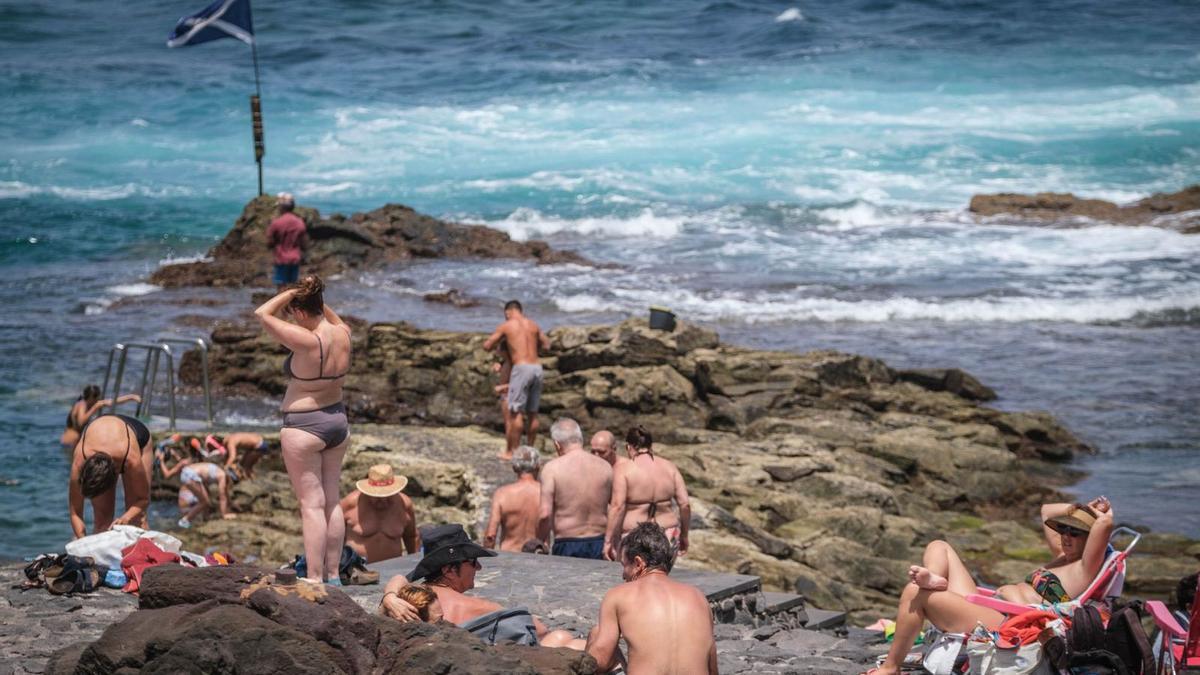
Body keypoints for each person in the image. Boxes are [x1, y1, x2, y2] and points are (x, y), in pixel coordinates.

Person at [872, 497, 1115, 675]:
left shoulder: (1084, 569)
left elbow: (1104, 526)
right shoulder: (1063, 556)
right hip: (994, 608)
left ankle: (890, 668)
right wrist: (1081, 508)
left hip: (1007, 624)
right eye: (1064, 529)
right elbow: (1046, 510)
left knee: (915, 592)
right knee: (939, 545)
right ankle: (935, 578)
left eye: (1076, 532)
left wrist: (1099, 513)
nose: (1066, 536)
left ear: (1091, 538)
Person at [255, 274, 352, 583]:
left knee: (311, 504)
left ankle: (314, 577)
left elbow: (262, 314)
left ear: (297, 311)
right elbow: (329, 316)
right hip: (337, 420)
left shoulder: (307, 341)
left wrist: (293, 292)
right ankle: (334, 573)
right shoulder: (344, 333)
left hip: (305, 426)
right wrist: (313, 295)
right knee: (331, 500)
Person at [379, 524, 580, 648]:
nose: (479, 567)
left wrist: (389, 596)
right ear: (449, 570)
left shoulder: (409, 600)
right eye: (473, 561)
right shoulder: (475, 607)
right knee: (560, 638)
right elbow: (537, 628)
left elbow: (399, 578)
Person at [586, 522, 718, 674]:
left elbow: (599, 661)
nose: (623, 575)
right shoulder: (699, 597)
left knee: (596, 634)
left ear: (638, 563)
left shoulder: (618, 596)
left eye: (624, 565)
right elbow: (712, 668)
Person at [603, 426, 690, 563]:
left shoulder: (623, 470)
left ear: (628, 447)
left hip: (634, 536)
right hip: (667, 533)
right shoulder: (669, 467)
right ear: (651, 446)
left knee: (634, 581)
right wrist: (684, 535)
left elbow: (617, 506)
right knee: (661, 578)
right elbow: (685, 504)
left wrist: (608, 541)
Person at [482, 300, 550, 459]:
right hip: (537, 368)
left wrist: (501, 344)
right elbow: (546, 345)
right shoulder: (533, 324)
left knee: (515, 412)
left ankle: (513, 452)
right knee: (533, 413)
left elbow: (487, 345)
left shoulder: (507, 325)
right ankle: (531, 451)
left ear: (508, 312)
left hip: (522, 368)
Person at [68, 414, 153, 537]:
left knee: (138, 519)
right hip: (102, 431)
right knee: (102, 521)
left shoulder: (131, 459)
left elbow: (143, 499)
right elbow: (75, 512)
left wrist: (126, 518)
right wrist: (83, 542)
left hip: (136, 435)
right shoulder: (80, 461)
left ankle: (143, 554)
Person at [538, 418, 612, 559]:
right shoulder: (605, 467)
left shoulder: (552, 469)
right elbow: (616, 506)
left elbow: (544, 514)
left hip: (567, 542)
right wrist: (611, 540)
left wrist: (539, 541)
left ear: (557, 445)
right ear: (580, 439)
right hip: (599, 541)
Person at [341, 463, 420, 563]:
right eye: (378, 496)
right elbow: (331, 537)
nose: (383, 500)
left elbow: (412, 536)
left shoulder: (404, 504)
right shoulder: (350, 504)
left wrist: (415, 564)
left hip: (394, 569)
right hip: (356, 571)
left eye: (389, 495)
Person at [157, 446, 235, 528]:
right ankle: (185, 520)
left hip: (188, 476)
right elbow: (222, 495)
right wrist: (224, 514)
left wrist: (231, 504)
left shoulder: (213, 469)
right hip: (191, 477)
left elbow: (220, 492)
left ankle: (205, 518)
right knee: (204, 501)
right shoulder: (222, 475)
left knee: (205, 499)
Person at [484, 446, 542, 552]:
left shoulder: (502, 494)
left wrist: (486, 559)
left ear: (514, 468)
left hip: (510, 555)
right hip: (538, 555)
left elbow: (490, 535)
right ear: (538, 466)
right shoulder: (545, 494)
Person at [60, 385, 140, 452]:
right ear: (91, 397)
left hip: (71, 441)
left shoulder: (87, 405)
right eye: (96, 398)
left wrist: (131, 397)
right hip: (71, 441)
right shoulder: (82, 404)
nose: (97, 400)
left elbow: (112, 402)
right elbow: (81, 422)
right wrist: (95, 407)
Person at [265, 192, 308, 289]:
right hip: (295, 258)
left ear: (281, 207)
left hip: (281, 259)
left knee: (281, 288)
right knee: (293, 288)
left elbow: (270, 242)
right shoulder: (299, 222)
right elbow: (304, 243)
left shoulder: (276, 223)